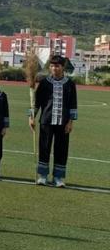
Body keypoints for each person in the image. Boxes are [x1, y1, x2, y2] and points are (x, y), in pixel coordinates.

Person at [30, 55, 78, 187]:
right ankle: (43, 176)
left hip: (63, 123)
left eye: (57, 66)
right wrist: (31, 117)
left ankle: (58, 178)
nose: (54, 68)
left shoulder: (70, 84)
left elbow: (73, 105)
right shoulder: (45, 83)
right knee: (44, 148)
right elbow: (36, 102)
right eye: (51, 66)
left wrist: (70, 122)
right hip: (46, 120)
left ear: (63, 67)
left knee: (61, 150)